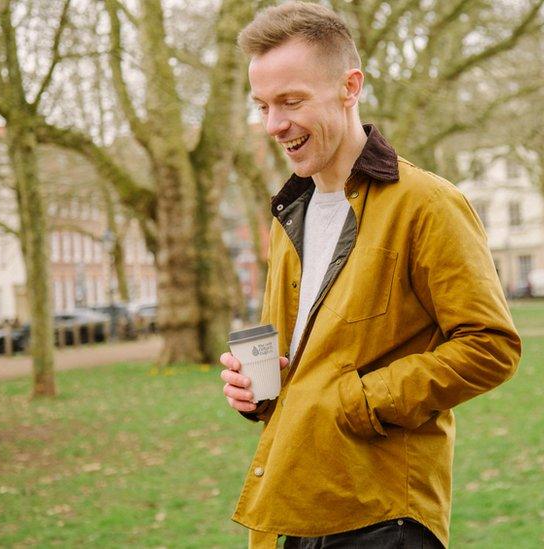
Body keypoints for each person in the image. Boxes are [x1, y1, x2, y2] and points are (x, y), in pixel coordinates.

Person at [218, 3, 521, 548]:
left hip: (383, 518)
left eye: (291, 101)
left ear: (350, 86)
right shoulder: (291, 214)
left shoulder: (428, 203)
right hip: (291, 508)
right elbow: (303, 363)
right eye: (262, 106)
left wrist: (358, 401)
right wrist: (258, 390)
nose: (274, 124)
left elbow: (491, 347)